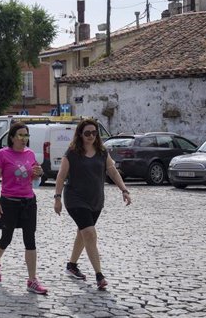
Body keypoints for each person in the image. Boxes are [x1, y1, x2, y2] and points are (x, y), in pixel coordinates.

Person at [53, 118, 132, 290]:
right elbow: (61, 176)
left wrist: (124, 190)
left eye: (94, 133)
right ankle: (99, 275)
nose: (91, 136)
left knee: (83, 234)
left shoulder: (102, 152)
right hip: (75, 199)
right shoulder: (72, 152)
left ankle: (72, 265)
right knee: (89, 233)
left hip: (95, 200)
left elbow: (112, 170)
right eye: (87, 133)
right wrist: (57, 198)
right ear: (80, 134)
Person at [0, 122, 48, 294]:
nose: (24, 139)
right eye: (20, 135)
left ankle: (32, 280)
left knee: (30, 240)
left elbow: (36, 174)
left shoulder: (30, 154)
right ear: (12, 138)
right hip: (9, 201)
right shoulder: (2, 154)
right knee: (6, 238)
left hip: (28, 201)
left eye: (26, 135)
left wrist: (39, 173)